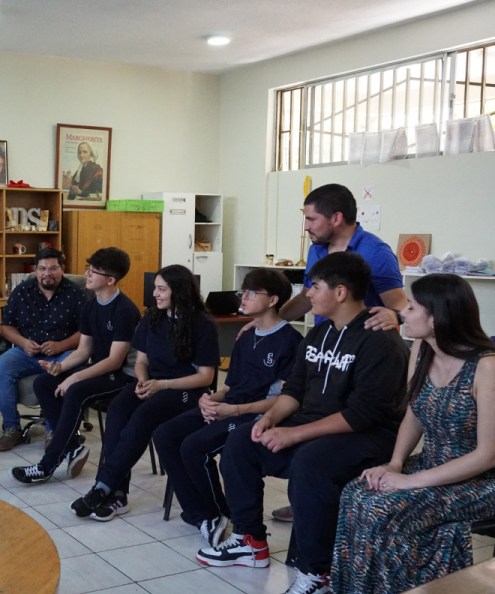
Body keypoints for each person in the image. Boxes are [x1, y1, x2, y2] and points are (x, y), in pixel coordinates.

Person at [196, 252, 408, 594]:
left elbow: (363, 414)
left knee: (311, 464)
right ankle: (249, 541)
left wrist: (293, 433)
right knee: (241, 442)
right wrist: (269, 419)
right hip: (315, 426)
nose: (308, 294)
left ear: (340, 292)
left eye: (315, 287)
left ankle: (317, 573)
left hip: (367, 435)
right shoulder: (318, 335)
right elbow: (294, 389)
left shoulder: (379, 341)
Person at [247, 183, 408, 525]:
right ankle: (305, 500)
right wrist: (269, 321)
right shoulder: (318, 250)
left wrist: (396, 317)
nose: (306, 226)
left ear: (336, 218)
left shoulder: (376, 253)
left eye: (311, 218)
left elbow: (399, 303)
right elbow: (308, 297)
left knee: (317, 451)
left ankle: (316, 503)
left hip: (361, 355)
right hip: (324, 348)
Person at [332, 274, 495, 594]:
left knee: (384, 509)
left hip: (480, 480)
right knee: (355, 494)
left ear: (438, 317)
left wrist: (410, 481)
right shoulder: (421, 348)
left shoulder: (486, 368)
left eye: (411, 307)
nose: (402, 312)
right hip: (434, 464)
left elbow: (487, 455)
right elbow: (414, 415)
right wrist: (394, 465)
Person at [152, 268, 302, 545]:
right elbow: (231, 388)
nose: (243, 298)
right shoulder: (246, 335)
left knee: (194, 447)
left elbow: (284, 398)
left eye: (251, 293)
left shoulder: (291, 341)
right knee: (165, 435)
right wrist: (209, 400)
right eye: (242, 292)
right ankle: (203, 513)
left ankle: (217, 513)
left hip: (256, 415)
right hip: (229, 407)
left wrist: (233, 411)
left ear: (272, 300)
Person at [70, 264, 220, 521]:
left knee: (143, 416)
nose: (156, 294)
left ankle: (102, 486)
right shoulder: (152, 318)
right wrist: (142, 380)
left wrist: (161, 385)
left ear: (180, 292)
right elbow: (141, 362)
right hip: (152, 385)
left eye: (162, 289)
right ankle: (116, 493)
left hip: (185, 391)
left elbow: (206, 377)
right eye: (155, 289)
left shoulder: (201, 324)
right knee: (118, 408)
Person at [10, 247, 141, 485]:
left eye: (94, 271)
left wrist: (74, 378)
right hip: (103, 369)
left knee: (76, 389)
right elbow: (84, 350)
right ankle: (71, 448)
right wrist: (60, 368)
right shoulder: (91, 306)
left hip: (125, 376)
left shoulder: (125, 310)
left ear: (110, 279)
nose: (87, 275)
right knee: (44, 382)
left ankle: (46, 466)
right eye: (87, 269)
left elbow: (114, 361)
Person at [0, 248, 85, 451]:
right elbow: (6, 326)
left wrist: (62, 345)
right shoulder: (22, 291)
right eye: (41, 268)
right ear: (35, 270)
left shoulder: (76, 293)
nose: (47, 273)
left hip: (64, 351)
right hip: (27, 352)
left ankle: (54, 430)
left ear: (63, 269)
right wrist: (23, 342)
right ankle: (11, 428)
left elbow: (86, 333)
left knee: (58, 370)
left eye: (53, 268)